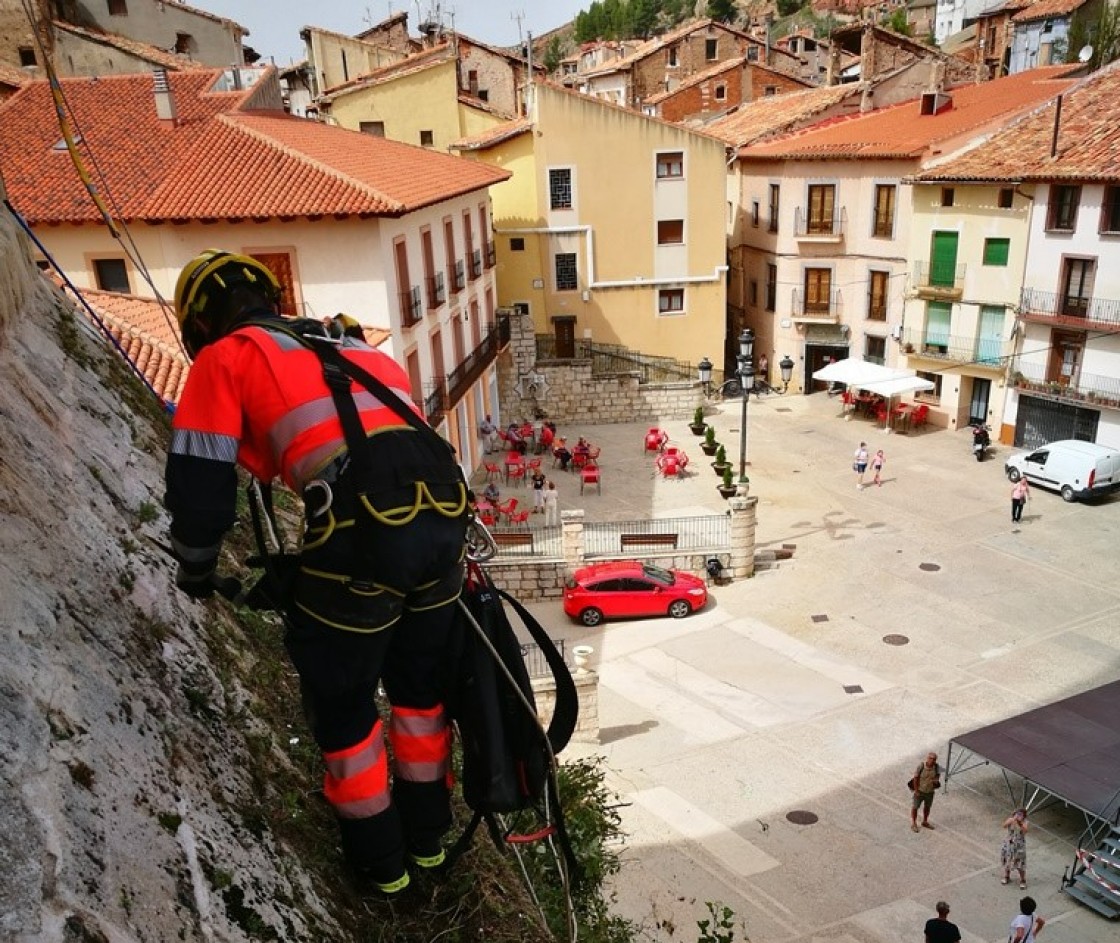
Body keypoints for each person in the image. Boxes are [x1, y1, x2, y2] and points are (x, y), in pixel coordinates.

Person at [165, 250, 469, 897]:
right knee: (418, 692)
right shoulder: (356, 345)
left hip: (365, 530)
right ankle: (430, 843)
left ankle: (385, 868)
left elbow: (201, 487)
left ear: (197, 323)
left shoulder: (227, 356)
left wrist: (195, 572)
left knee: (345, 703)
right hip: (446, 515)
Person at [910, 751, 941, 832]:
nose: (932, 760)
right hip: (920, 790)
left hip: (930, 791)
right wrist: (916, 790)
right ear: (927, 758)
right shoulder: (921, 766)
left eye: (934, 759)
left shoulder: (936, 767)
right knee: (915, 807)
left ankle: (925, 821)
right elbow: (916, 778)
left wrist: (936, 780)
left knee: (927, 807)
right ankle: (913, 823)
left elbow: (938, 774)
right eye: (930, 758)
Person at [1001, 808, 1029, 888]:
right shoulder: (1011, 819)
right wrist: (1011, 820)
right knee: (1008, 861)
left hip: (1019, 846)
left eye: (1021, 815)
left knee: (1020, 864)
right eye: (1017, 814)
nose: (1019, 816)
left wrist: (1019, 823)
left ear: (1024, 816)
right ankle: (1007, 876)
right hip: (1009, 844)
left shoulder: (1025, 822)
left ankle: (1023, 880)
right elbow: (1004, 826)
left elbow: (1025, 831)